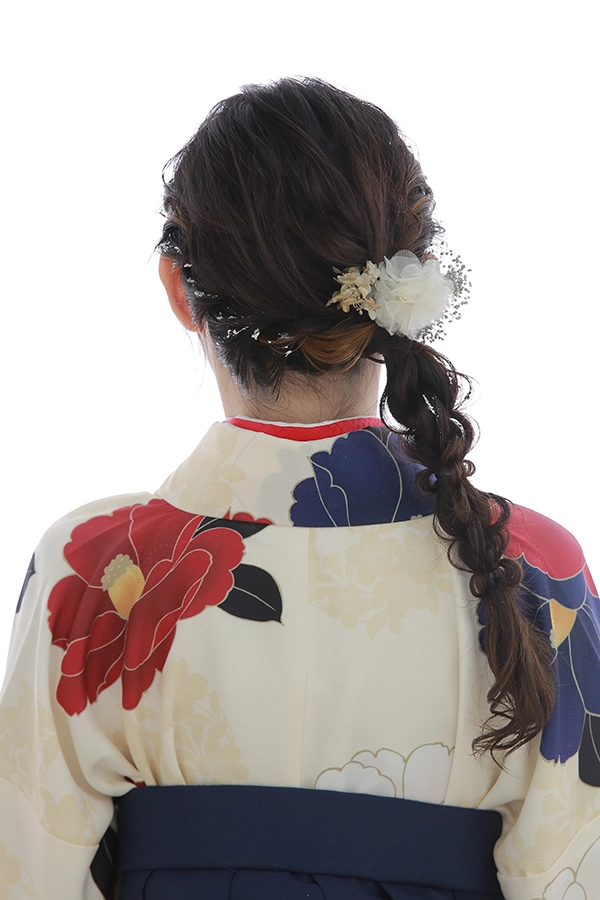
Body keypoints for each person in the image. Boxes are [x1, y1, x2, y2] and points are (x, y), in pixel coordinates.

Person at [0, 76, 599, 900]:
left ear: (178, 289)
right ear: (407, 288)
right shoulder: (534, 572)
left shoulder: (92, 570)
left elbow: (26, 873)